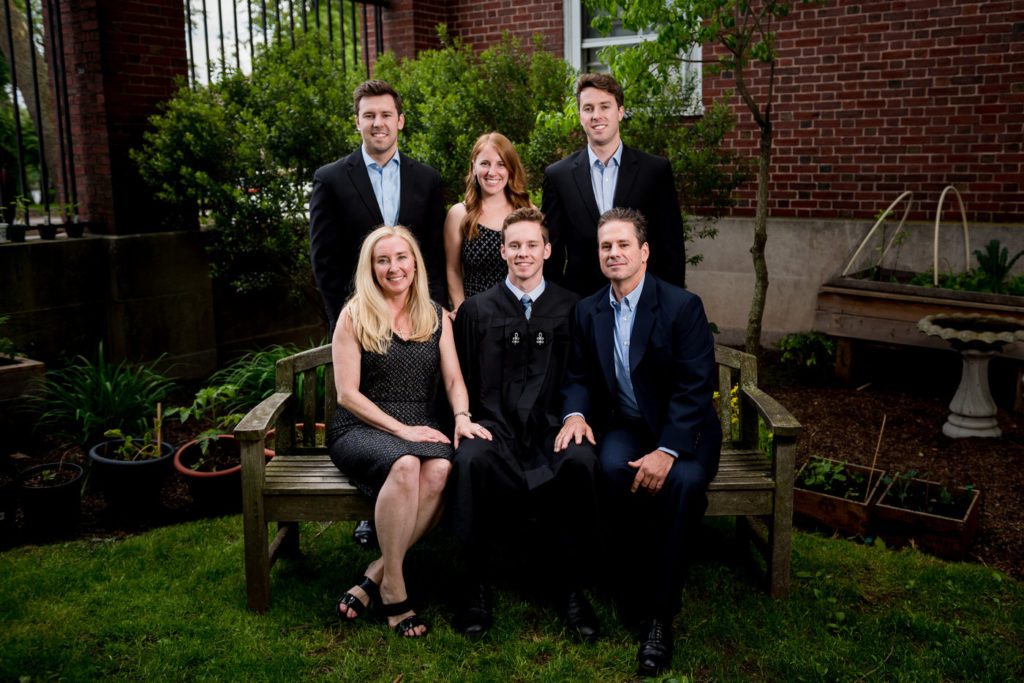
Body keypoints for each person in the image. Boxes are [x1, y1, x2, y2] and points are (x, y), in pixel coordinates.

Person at [555, 208, 721, 676]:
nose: (614, 253)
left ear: (644, 252)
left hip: (684, 431)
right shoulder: (588, 310)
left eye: (623, 245)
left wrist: (667, 450)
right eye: (606, 246)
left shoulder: (681, 306)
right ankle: (629, 585)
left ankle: (660, 617)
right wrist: (575, 413)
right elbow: (579, 376)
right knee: (608, 470)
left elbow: (695, 388)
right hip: (628, 424)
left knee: (684, 485)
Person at [328, 225, 491, 638]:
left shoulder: (434, 315)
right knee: (404, 465)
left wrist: (460, 416)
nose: (393, 267)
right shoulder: (354, 315)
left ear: (415, 263)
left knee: (438, 471)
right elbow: (347, 395)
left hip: (421, 423)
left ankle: (375, 573)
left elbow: (454, 380)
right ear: (371, 267)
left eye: (402, 258)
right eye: (383, 260)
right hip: (362, 425)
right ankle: (396, 591)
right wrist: (404, 430)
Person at [448, 207, 602, 640]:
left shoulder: (572, 307)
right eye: (514, 245)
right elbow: (460, 376)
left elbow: (586, 374)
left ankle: (572, 587)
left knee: (581, 462)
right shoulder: (477, 311)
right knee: (471, 460)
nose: (523, 253)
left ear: (547, 250)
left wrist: (576, 416)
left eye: (532, 245)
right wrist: (465, 420)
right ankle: (476, 584)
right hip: (494, 427)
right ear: (502, 251)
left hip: (553, 428)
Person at [310, 79, 446, 335]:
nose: (378, 123)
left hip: (418, 320)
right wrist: (348, 318)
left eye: (386, 115)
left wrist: (433, 312)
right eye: (369, 115)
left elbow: (435, 256)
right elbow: (324, 260)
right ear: (357, 122)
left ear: (400, 121)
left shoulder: (427, 180)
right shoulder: (330, 180)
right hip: (359, 322)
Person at [541, 72, 687, 297]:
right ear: (580, 115)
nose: (596, 115)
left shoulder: (654, 171)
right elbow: (552, 253)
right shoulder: (558, 176)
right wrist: (556, 305)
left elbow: (672, 248)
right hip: (580, 304)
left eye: (605, 107)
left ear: (620, 112)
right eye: (588, 108)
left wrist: (670, 304)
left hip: (644, 299)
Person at [443, 132, 532, 314]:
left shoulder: (528, 212)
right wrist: (462, 312)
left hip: (520, 313)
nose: (492, 172)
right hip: (476, 314)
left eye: (501, 164)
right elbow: (452, 269)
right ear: (473, 167)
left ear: (510, 168)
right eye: (485, 163)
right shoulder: (460, 214)